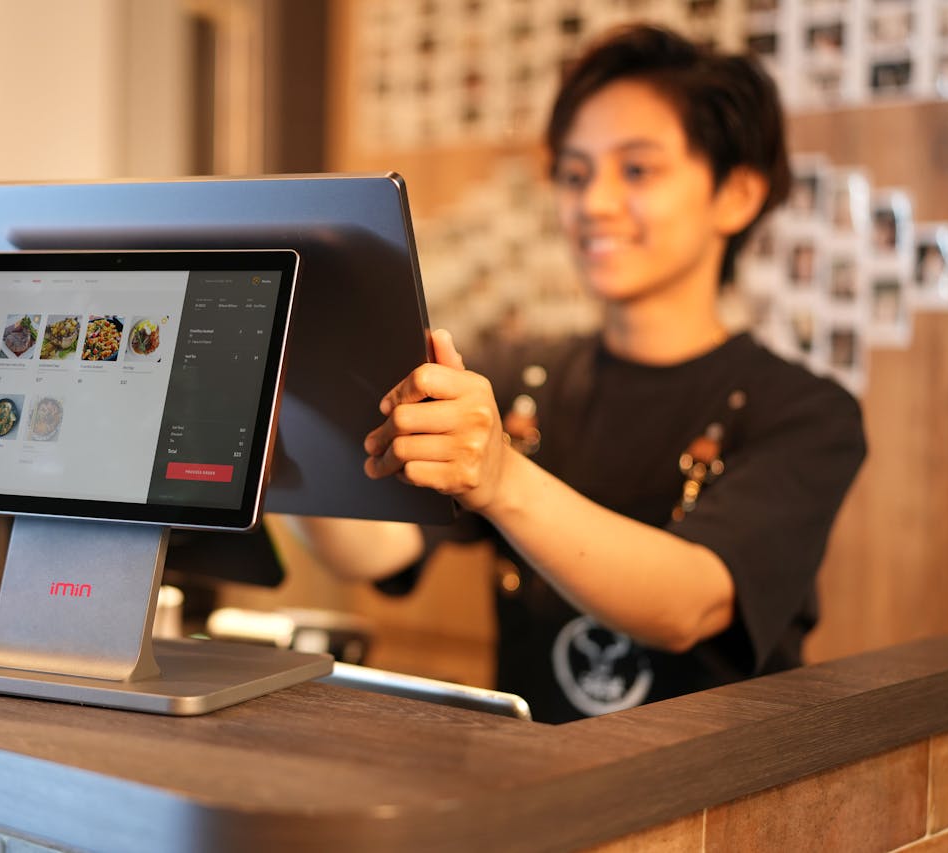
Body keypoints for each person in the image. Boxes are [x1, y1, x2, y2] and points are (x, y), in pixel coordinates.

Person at [290, 24, 867, 724]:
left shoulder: (805, 414)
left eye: (637, 170)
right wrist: (287, 430)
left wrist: (502, 478)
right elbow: (378, 547)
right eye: (574, 173)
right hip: (543, 790)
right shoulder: (518, 376)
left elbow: (689, 604)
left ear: (736, 195)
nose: (592, 203)